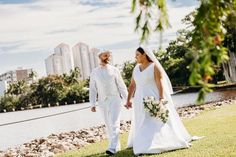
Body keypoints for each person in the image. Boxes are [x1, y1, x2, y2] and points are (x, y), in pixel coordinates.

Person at [125, 47, 194, 155]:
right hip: (139, 99)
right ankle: (143, 142)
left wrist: (161, 98)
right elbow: (132, 85)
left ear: (145, 54)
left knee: (155, 120)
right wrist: (128, 100)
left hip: (152, 97)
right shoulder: (136, 68)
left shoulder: (154, 66)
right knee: (142, 120)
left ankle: (157, 142)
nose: (135, 57)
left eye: (137, 54)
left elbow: (159, 83)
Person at [89, 50, 128, 155]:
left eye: (109, 55)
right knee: (108, 124)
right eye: (105, 55)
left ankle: (112, 147)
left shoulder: (114, 70)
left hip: (115, 100)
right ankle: (116, 146)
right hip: (102, 102)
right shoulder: (94, 72)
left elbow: (121, 86)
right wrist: (92, 104)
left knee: (114, 123)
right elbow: (92, 89)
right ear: (100, 56)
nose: (107, 57)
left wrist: (127, 99)